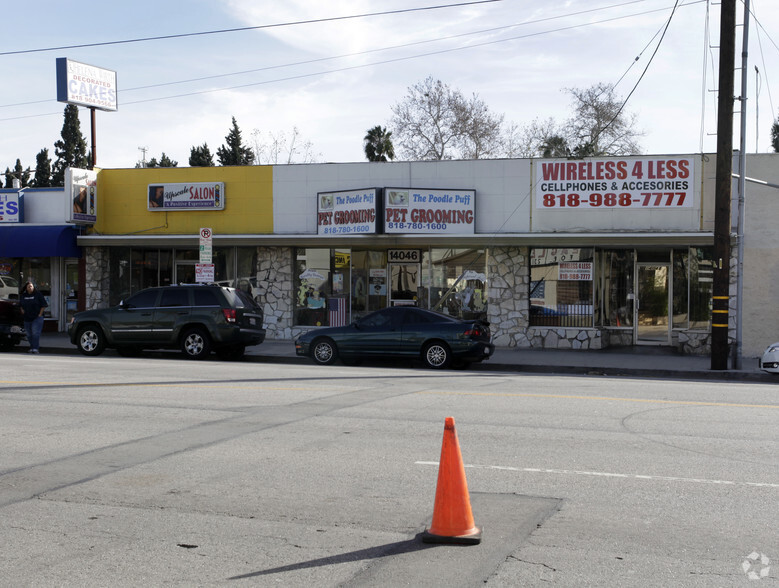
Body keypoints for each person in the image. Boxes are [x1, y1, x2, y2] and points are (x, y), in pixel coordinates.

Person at [19, 280, 47, 354]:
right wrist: (22, 310)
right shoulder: (24, 295)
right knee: (29, 334)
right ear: (26, 288)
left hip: (37, 317)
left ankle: (35, 348)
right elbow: (20, 304)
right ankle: (32, 347)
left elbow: (44, 305)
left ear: (33, 287)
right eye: (28, 286)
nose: (30, 287)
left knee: (35, 333)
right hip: (27, 317)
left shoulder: (38, 294)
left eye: (31, 286)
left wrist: (40, 314)